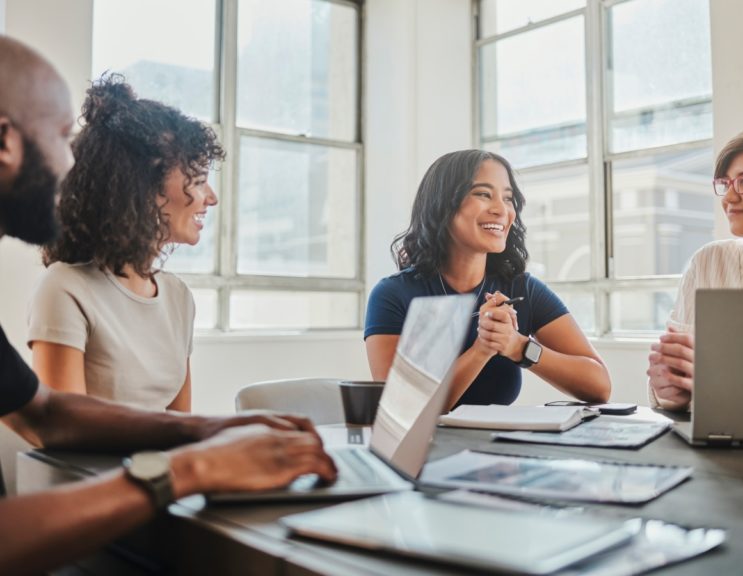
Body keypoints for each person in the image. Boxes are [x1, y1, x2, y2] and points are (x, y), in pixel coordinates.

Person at [0, 35, 335, 575]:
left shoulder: (175, 296)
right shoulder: (67, 286)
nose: (73, 164)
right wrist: (186, 469)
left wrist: (207, 431)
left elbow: (45, 412)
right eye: (62, 138)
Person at [27, 74, 221, 411]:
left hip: (162, 464)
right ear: (144, 186)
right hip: (92, 466)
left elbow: (180, 425)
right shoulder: (65, 288)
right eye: (200, 180)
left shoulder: (178, 298)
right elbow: (66, 433)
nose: (211, 198)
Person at [365, 149, 611, 409]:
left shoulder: (522, 289)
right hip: (423, 448)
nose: (501, 209)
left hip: (501, 446)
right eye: (483, 194)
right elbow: (401, 407)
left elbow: (600, 386)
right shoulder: (393, 295)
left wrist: (519, 347)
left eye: (508, 198)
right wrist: (482, 349)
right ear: (443, 205)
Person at [647, 127, 743, 411]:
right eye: (726, 184)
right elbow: (670, 394)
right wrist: (669, 390)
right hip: (717, 441)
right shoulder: (708, 263)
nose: (729, 198)